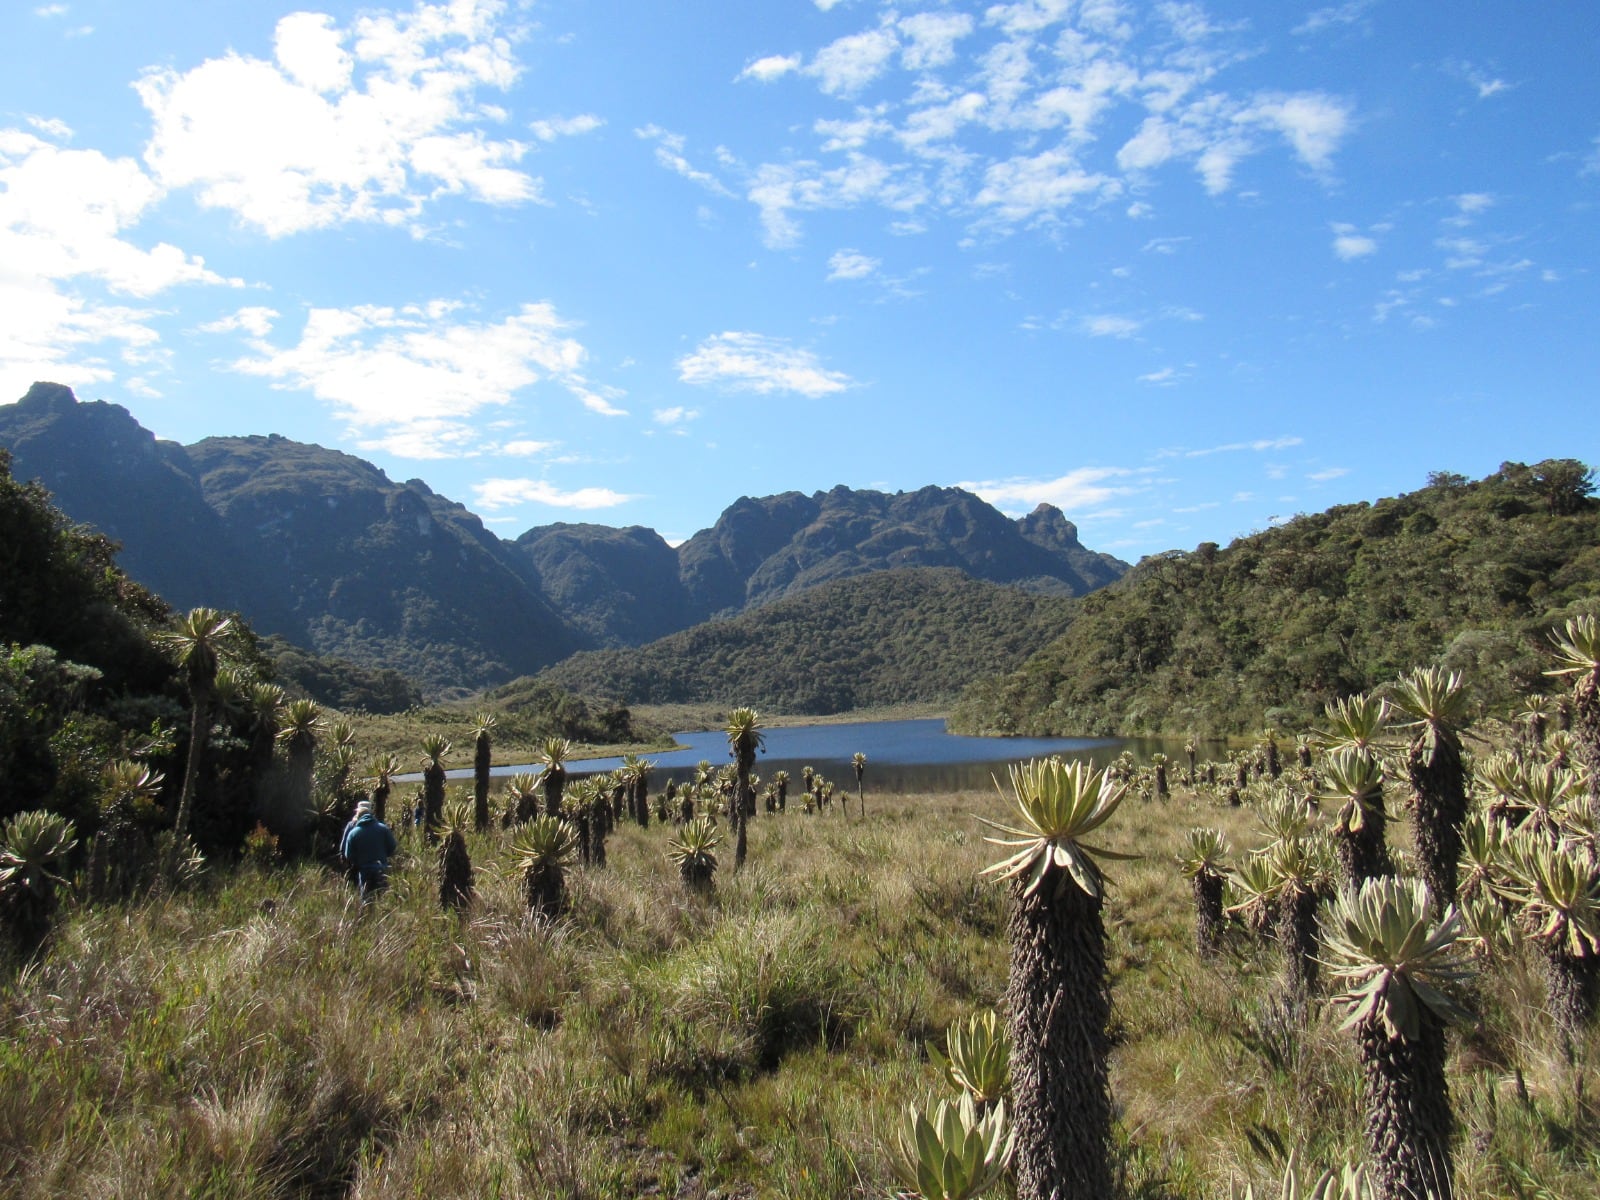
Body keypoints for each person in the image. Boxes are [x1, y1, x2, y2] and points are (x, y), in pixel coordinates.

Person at [341, 800, 397, 903]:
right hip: (381, 869)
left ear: (358, 816)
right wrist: (384, 857)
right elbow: (392, 846)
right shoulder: (383, 828)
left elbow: (348, 854)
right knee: (382, 899)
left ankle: (368, 918)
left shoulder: (353, 832)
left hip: (364, 870)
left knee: (366, 900)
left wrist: (357, 863)